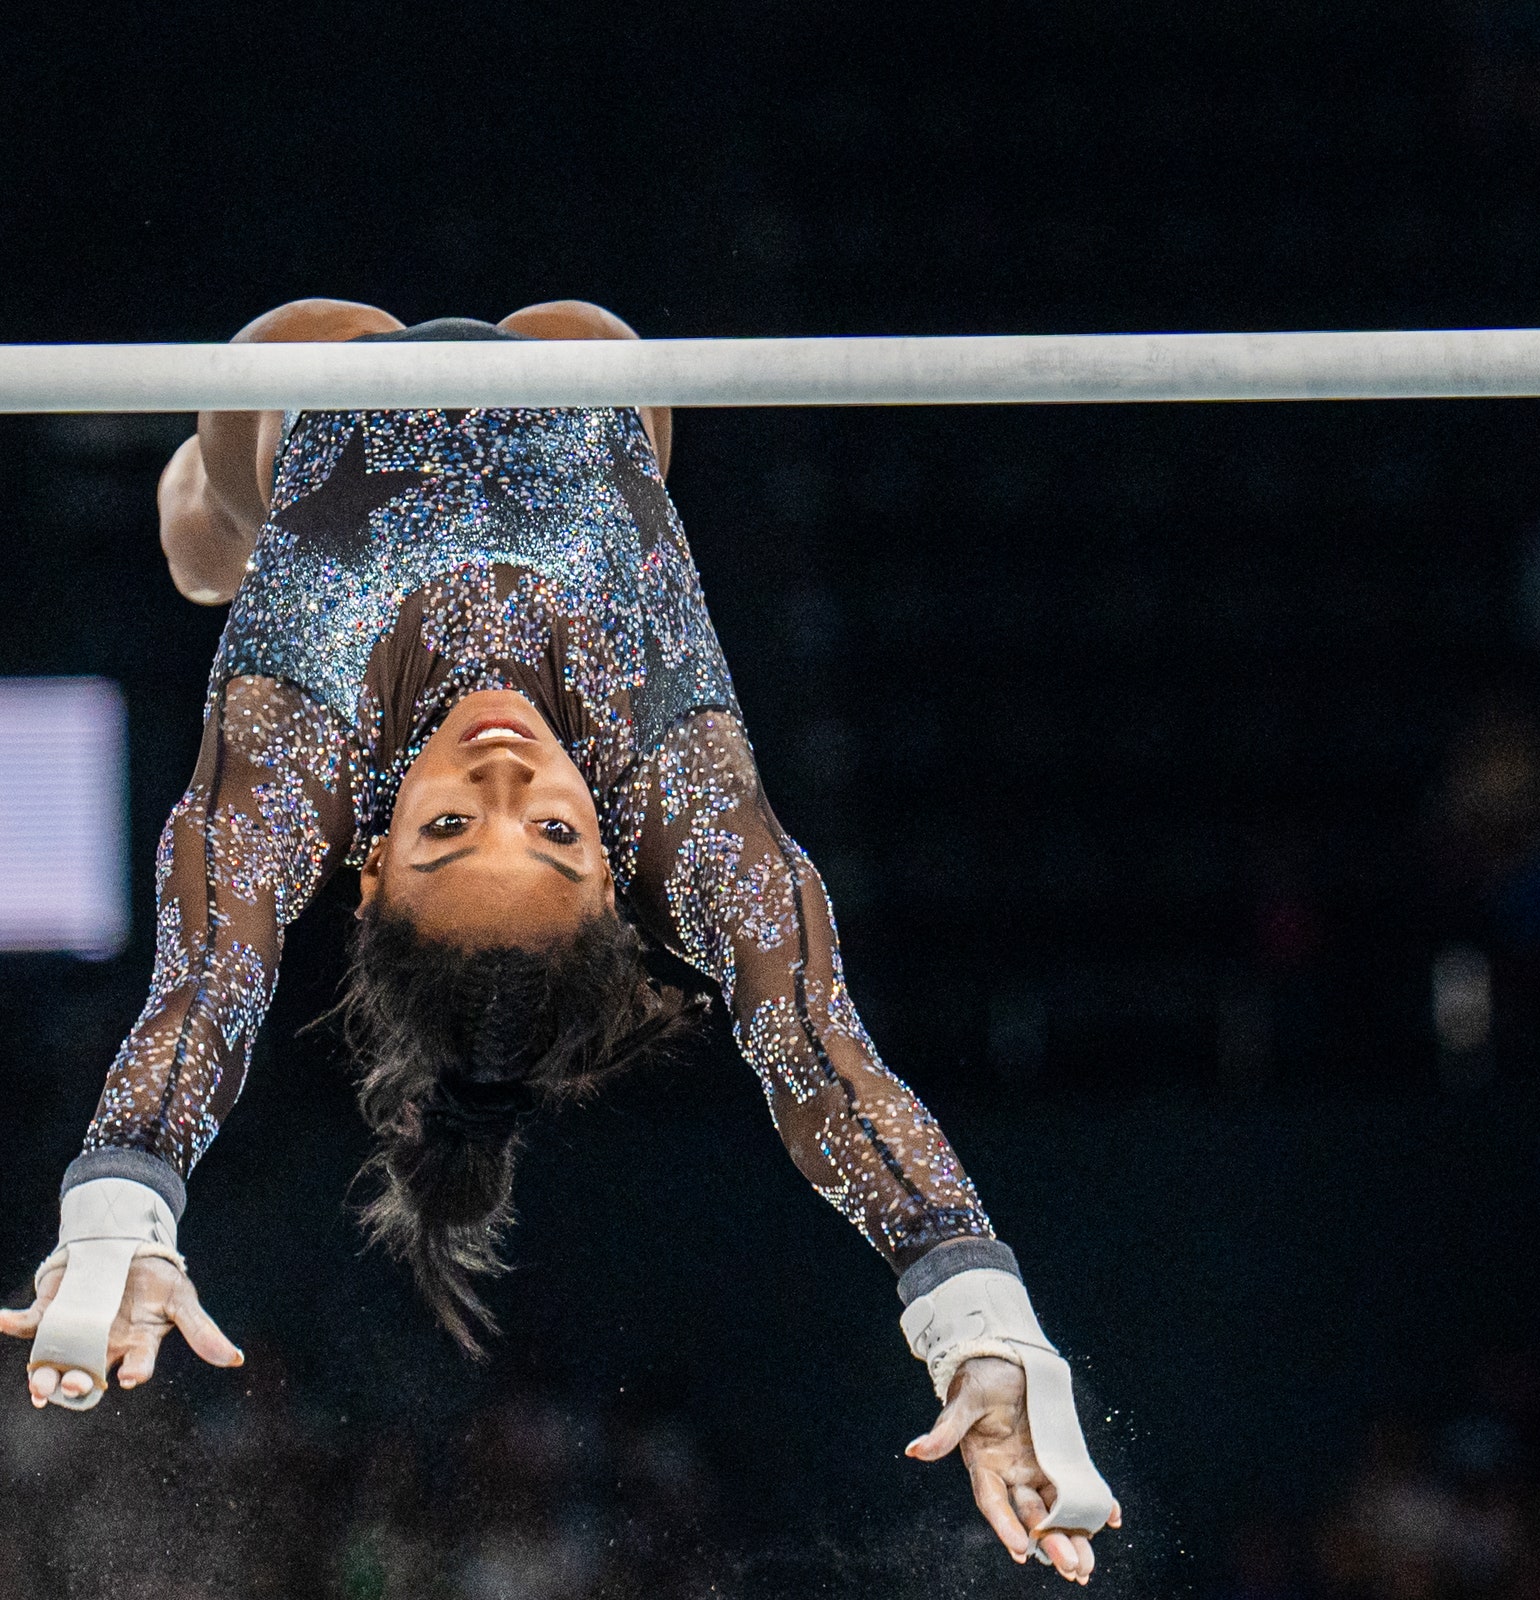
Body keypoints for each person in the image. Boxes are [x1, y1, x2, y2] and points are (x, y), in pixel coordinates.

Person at [0, 299, 1121, 1582]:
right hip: (592, 390)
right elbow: (820, 1054)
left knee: (212, 524)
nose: (502, 771)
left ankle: (202, 510)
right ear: (617, 877)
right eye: (552, 831)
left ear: (365, 868)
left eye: (446, 829)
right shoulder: (681, 794)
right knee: (585, 343)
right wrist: (980, 1319)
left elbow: (203, 990)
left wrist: (120, 1202)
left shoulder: (301, 738)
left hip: (310, 395)